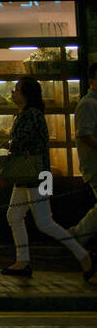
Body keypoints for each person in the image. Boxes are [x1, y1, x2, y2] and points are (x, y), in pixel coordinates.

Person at [0, 76, 94, 280]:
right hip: (34, 175)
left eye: (16, 89)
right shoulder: (31, 113)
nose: (13, 93)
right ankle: (22, 260)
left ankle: (84, 256)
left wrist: (9, 145)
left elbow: (25, 142)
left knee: (45, 222)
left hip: (35, 175)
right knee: (15, 216)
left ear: (26, 94)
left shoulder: (30, 115)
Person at [68, 62, 97, 247]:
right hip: (94, 165)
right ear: (92, 80)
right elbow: (85, 135)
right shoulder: (88, 103)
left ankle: (76, 236)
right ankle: (76, 235)